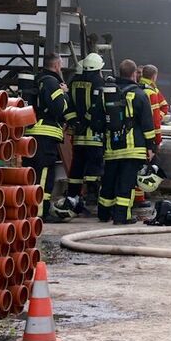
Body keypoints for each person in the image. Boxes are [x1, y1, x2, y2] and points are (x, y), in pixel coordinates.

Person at [99, 59, 157, 225]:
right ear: (134, 74)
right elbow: (147, 123)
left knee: (108, 181)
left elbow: (99, 119)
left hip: (112, 146)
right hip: (133, 148)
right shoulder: (139, 94)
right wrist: (151, 146)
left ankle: (104, 214)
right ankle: (121, 216)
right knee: (126, 182)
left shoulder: (108, 93)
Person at [25, 52, 76, 220]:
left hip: (31, 133)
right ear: (56, 66)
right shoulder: (52, 82)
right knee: (44, 175)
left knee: (33, 174)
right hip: (45, 135)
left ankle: (30, 210)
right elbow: (59, 108)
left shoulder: (37, 80)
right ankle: (41, 213)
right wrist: (64, 94)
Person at [57, 53, 106, 219]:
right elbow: (97, 107)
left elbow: (67, 104)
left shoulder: (74, 81)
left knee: (76, 168)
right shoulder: (98, 82)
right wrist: (86, 121)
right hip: (94, 135)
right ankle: (92, 198)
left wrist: (75, 123)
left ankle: (73, 198)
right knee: (94, 167)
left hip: (78, 136)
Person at [136, 64, 169, 208]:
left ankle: (140, 195)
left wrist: (159, 117)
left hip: (135, 134)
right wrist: (157, 140)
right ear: (154, 76)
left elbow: (163, 108)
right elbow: (155, 119)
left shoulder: (134, 88)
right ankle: (139, 197)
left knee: (138, 165)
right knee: (144, 165)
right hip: (148, 134)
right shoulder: (151, 91)